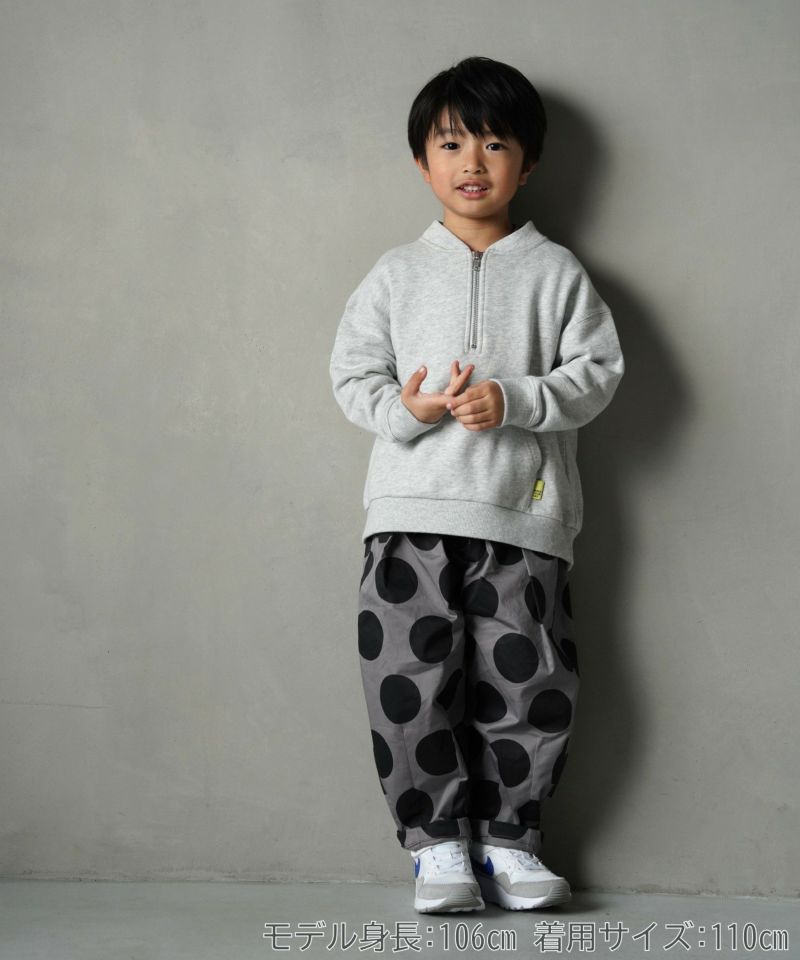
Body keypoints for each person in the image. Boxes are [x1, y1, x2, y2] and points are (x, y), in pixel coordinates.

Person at [329, 56, 624, 914]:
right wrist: (410, 408)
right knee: (408, 682)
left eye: (495, 144)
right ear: (421, 161)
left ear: (527, 164)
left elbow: (598, 374)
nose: (472, 162)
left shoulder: (557, 272)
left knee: (530, 682)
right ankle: (437, 850)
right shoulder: (394, 273)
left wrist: (517, 400)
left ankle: (511, 843)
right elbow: (352, 377)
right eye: (452, 143)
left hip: (522, 520)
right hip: (407, 517)